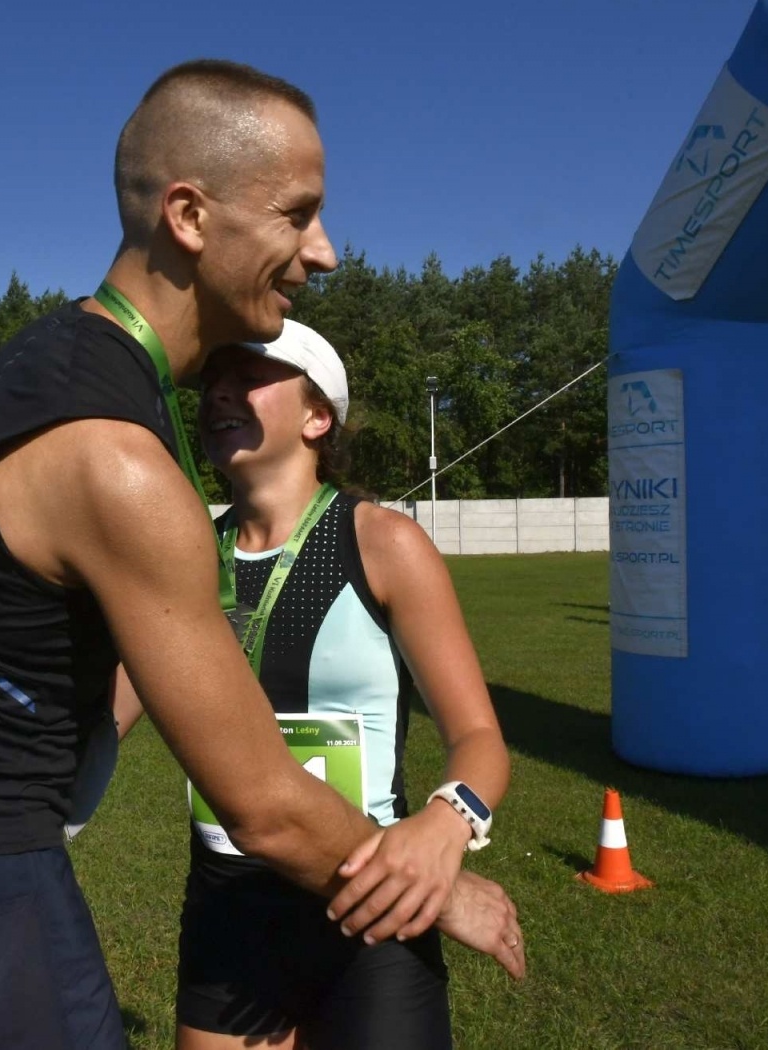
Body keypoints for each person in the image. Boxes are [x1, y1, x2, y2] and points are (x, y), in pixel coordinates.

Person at [0, 59, 522, 1050]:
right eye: (297, 214)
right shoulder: (120, 458)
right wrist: (453, 894)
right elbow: (263, 806)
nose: (324, 252)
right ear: (188, 215)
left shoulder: (57, 362)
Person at [159, 321, 512, 1049]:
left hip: (374, 903)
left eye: (250, 378)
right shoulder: (182, 559)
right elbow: (104, 716)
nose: (220, 393)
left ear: (318, 416)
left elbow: (479, 738)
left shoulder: (385, 543)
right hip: (230, 907)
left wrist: (447, 825)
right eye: (213, 382)